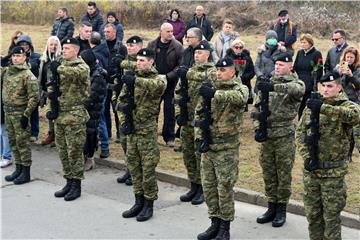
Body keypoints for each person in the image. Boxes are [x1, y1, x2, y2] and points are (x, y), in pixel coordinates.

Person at [296, 71, 360, 240]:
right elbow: (300, 134)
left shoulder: (347, 105)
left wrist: (323, 108)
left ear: (339, 88)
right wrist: (306, 156)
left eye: (330, 86)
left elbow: (354, 116)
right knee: (313, 217)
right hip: (312, 172)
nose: (325, 89)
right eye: (323, 86)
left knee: (331, 220)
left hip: (333, 174)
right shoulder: (313, 105)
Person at [196, 58, 248, 240]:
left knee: (224, 188)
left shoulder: (240, 88)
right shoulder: (209, 88)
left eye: (223, 70)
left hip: (226, 148)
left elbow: (241, 99)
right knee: (209, 188)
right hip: (209, 146)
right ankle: (214, 223)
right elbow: (199, 114)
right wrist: (199, 137)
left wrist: (214, 94)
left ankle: (225, 227)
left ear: (233, 72)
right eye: (217, 70)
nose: (219, 73)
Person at [252, 52, 305, 227]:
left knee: (283, 174)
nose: (277, 67)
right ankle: (271, 206)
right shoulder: (268, 82)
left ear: (290, 67)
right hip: (267, 134)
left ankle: (281, 209)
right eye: (276, 64)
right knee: (268, 172)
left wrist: (273, 88)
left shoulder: (296, 83)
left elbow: (296, 90)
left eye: (282, 64)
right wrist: (257, 126)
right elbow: (257, 106)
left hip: (284, 135)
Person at [118, 48, 166, 221]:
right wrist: (124, 120)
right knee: (134, 167)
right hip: (131, 130)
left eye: (143, 60)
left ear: (151, 62)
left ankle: (149, 203)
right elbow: (121, 101)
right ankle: (138, 201)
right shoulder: (131, 79)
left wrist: (135, 80)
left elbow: (157, 87)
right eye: (137, 60)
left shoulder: (156, 79)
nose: (139, 63)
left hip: (146, 132)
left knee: (147, 169)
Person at [175, 40, 217, 205]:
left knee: (201, 155)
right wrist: (179, 114)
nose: (197, 55)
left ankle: (203, 189)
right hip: (187, 119)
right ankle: (193, 185)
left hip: (202, 122)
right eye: (195, 53)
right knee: (188, 154)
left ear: (207, 54)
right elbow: (178, 93)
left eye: (200, 53)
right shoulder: (189, 70)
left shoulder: (212, 72)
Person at [49, 38, 90, 201]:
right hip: (60, 114)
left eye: (67, 48)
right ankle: (68, 181)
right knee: (63, 151)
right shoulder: (61, 65)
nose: (63, 51)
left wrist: (57, 68)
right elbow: (53, 85)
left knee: (74, 151)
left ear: (76, 51)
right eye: (63, 48)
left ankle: (77, 185)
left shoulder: (81, 67)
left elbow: (73, 73)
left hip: (75, 115)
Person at [1, 46, 40, 184]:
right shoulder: (6, 72)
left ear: (24, 58)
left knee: (22, 143)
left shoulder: (27, 75)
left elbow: (34, 97)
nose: (16, 58)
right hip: (8, 112)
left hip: (20, 113)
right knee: (13, 142)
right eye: (14, 56)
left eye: (19, 56)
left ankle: (26, 172)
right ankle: (18, 168)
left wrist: (26, 115)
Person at [147, 23, 184, 147]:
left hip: (170, 84)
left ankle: (169, 137)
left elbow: (180, 66)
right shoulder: (152, 44)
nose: (170, 34)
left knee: (170, 111)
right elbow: (148, 60)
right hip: (155, 83)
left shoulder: (177, 46)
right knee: (153, 109)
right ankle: (151, 135)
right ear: (161, 31)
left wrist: (168, 76)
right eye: (168, 31)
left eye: (172, 31)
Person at [115, 35, 143, 186]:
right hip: (123, 105)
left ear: (139, 46)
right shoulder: (126, 61)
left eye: (133, 45)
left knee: (134, 145)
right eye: (129, 45)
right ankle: (129, 168)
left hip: (136, 108)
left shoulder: (142, 61)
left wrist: (122, 63)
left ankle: (135, 172)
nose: (130, 48)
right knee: (125, 140)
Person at [80, 49, 107, 171]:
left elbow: (93, 95)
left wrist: (82, 105)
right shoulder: (88, 72)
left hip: (93, 109)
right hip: (86, 107)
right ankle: (84, 156)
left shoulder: (98, 76)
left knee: (90, 133)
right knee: (85, 133)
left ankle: (90, 158)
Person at [104, 23, 127, 149]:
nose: (106, 34)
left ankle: (119, 132)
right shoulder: (102, 46)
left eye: (108, 32)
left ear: (114, 33)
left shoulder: (121, 48)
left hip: (117, 83)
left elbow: (126, 64)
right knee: (105, 108)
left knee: (117, 109)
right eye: (105, 32)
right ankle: (107, 132)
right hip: (104, 81)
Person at [336, 46, 360, 162]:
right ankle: (340, 151)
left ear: (355, 58)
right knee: (340, 126)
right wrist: (338, 74)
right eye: (347, 57)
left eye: (352, 57)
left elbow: (359, 84)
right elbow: (333, 82)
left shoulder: (358, 69)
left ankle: (349, 154)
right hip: (342, 99)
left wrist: (351, 76)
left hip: (354, 100)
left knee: (352, 128)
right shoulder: (340, 66)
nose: (349, 59)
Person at [16, 35, 41, 143]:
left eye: (26, 44)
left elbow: (33, 66)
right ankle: (23, 131)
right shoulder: (16, 56)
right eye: (22, 45)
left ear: (30, 45)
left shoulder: (35, 56)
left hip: (33, 88)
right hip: (20, 89)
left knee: (33, 111)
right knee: (22, 111)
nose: (24, 47)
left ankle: (34, 133)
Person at [38, 36, 63, 146]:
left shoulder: (61, 59)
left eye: (55, 44)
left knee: (57, 113)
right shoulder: (43, 58)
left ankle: (57, 137)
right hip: (46, 90)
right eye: (51, 44)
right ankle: (51, 134)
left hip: (57, 91)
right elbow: (41, 76)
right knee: (49, 114)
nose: (53, 46)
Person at [293, 33, 323, 119]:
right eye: (301, 42)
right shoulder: (300, 53)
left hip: (310, 86)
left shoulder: (316, 53)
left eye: (304, 42)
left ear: (310, 43)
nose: (302, 44)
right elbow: (295, 67)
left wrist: (313, 83)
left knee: (309, 109)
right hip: (299, 84)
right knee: (300, 108)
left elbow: (319, 71)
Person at [225, 39, 255, 111]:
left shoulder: (247, 57)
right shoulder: (227, 57)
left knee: (244, 101)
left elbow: (252, 71)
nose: (238, 49)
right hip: (232, 82)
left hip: (245, 82)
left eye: (240, 47)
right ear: (232, 48)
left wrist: (244, 77)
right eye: (236, 47)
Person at [0, 81, 13, 168]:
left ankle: (7, 157)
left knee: (4, 132)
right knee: (1, 132)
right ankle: (2, 154)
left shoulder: (5, 71)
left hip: (5, 104)